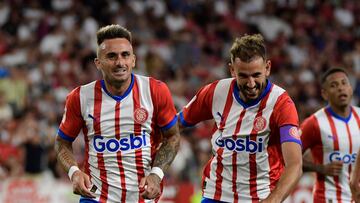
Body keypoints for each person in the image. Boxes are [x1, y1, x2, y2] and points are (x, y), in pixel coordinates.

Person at [54, 24, 180, 203]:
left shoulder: (155, 91)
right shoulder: (80, 97)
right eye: (111, 56)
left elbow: (173, 136)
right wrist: (74, 172)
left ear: (134, 60)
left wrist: (156, 174)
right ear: (98, 63)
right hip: (96, 196)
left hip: (142, 196)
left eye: (125, 55)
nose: (120, 62)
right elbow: (62, 142)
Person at [178, 34, 303, 202]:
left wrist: (273, 200)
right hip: (216, 194)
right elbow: (175, 125)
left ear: (267, 68)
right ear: (232, 70)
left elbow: (295, 164)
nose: (251, 83)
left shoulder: (281, 103)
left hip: (260, 196)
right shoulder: (216, 92)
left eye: (256, 75)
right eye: (243, 76)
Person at [300, 68, 360, 202]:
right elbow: (289, 159)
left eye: (344, 83)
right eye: (334, 85)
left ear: (351, 88)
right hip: (328, 198)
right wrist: (320, 168)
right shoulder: (314, 123)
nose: (340, 88)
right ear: (324, 94)